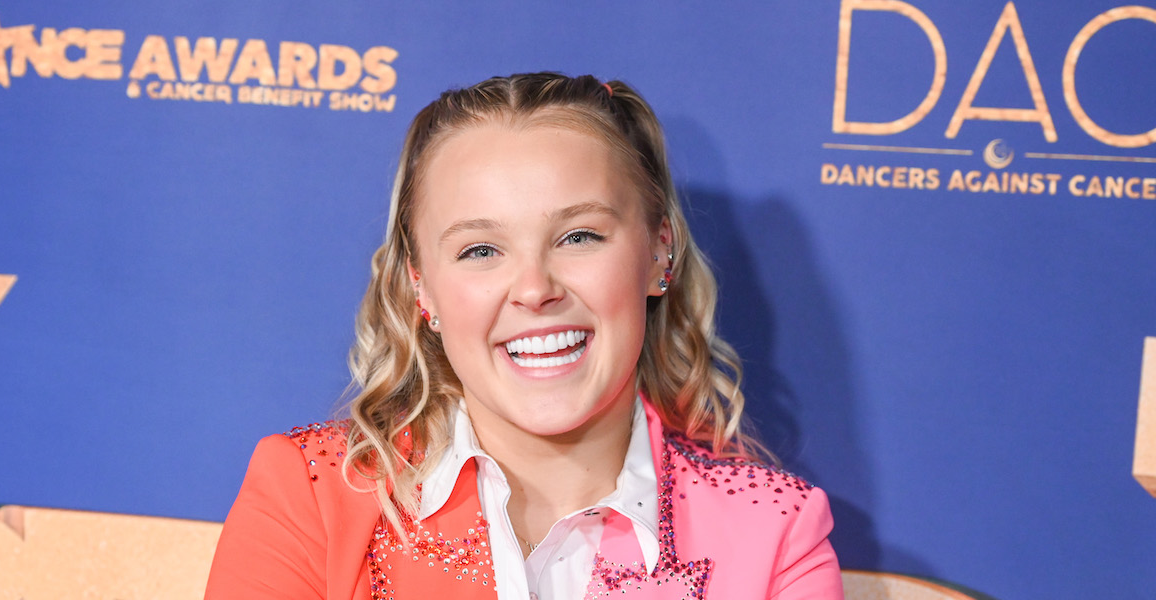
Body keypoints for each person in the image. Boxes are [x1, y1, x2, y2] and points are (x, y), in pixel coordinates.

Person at [205, 72, 843, 599]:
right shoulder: (313, 495)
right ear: (420, 284)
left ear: (657, 253)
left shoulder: (775, 533)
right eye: (481, 250)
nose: (534, 288)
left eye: (578, 237)